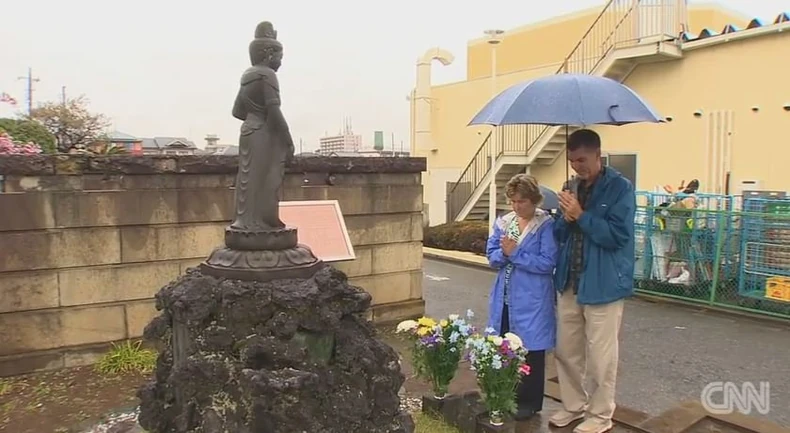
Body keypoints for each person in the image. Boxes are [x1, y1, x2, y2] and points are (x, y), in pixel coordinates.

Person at [550, 129, 636, 433]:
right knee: (566, 351)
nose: (577, 167)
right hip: (570, 281)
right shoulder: (569, 186)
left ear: (599, 155)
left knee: (601, 358)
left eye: (582, 160)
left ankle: (600, 416)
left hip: (604, 284)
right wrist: (564, 216)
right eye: (572, 161)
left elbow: (618, 236)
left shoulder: (620, 189)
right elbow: (559, 235)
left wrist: (581, 215)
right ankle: (573, 406)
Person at [485, 173, 558, 421]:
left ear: (534, 200)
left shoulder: (545, 225)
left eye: (522, 202)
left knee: (531, 350)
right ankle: (505, 394)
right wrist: (503, 255)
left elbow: (548, 262)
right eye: (513, 201)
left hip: (533, 296)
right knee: (505, 345)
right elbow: (492, 253)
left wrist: (515, 254)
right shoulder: (505, 223)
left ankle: (529, 401)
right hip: (505, 295)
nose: (517, 207)